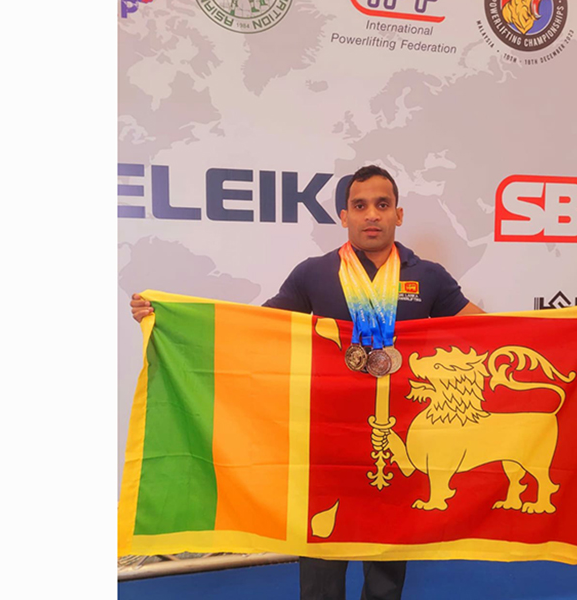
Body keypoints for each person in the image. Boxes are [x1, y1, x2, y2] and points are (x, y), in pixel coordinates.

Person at [130, 165, 483, 600]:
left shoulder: (427, 276)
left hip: (399, 432)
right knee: (320, 542)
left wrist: (574, 328)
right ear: (344, 216)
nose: (371, 214)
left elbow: (486, 330)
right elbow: (255, 326)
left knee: (390, 540)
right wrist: (167, 316)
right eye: (360, 206)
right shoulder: (314, 273)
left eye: (382, 205)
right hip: (325, 433)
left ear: (399, 214)